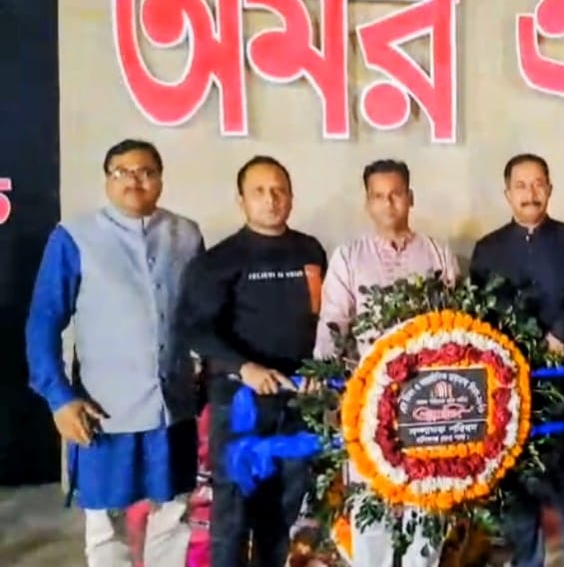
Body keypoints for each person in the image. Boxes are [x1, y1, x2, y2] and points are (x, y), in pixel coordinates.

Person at [26, 139, 204, 566]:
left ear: (160, 180)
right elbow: (43, 322)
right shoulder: (74, 237)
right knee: (107, 527)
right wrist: (59, 398)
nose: (134, 180)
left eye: (145, 172)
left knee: (173, 515)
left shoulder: (186, 234)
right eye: (122, 172)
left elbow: (202, 313)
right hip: (104, 411)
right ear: (107, 180)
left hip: (172, 408)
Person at [178, 156, 327, 567]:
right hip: (240, 405)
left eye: (279, 190)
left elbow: (325, 320)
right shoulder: (218, 260)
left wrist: (322, 371)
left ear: (291, 197)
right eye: (259, 191)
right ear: (241, 200)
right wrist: (244, 368)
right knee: (233, 513)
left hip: (297, 403)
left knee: (285, 508)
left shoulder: (310, 250)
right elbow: (194, 329)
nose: (271, 199)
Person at [313, 159, 460, 567]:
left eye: (395, 194)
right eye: (378, 196)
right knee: (369, 500)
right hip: (368, 397)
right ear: (367, 203)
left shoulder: (437, 252)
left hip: (429, 399)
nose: (388, 203)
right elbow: (333, 322)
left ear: (410, 198)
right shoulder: (349, 256)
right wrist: (324, 380)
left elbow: (457, 323)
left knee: (428, 501)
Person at [469, 153, 564, 567]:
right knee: (519, 502)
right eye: (521, 186)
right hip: (510, 393)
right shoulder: (488, 249)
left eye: (538, 184)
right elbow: (476, 314)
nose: (531, 193)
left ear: (550, 188)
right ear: (507, 193)